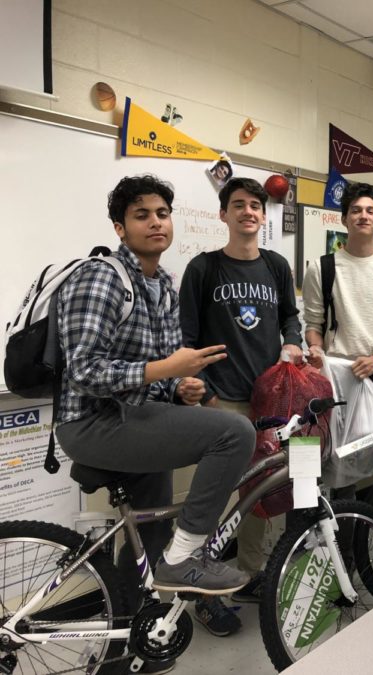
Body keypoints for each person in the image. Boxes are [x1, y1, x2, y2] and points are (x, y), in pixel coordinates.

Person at [54, 175, 255, 673]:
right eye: (142, 215)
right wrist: (168, 370)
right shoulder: (101, 278)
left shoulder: (162, 284)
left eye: (163, 213)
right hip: (93, 424)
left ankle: (123, 652)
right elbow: (83, 369)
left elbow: (159, 374)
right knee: (235, 433)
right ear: (120, 227)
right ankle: (186, 561)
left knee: (150, 542)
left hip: (136, 418)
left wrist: (178, 387)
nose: (156, 222)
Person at [179, 177, 303, 636]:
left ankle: (250, 576)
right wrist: (205, 393)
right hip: (219, 402)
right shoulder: (204, 269)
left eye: (255, 205)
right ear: (223, 214)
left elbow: (291, 315)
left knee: (261, 495)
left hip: (269, 400)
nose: (249, 212)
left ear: (263, 215)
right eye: (239, 205)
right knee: (212, 501)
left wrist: (291, 344)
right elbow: (186, 339)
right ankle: (199, 594)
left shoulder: (275, 265)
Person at [302, 182, 373, 474]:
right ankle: (347, 520)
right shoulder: (322, 268)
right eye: (355, 211)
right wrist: (315, 348)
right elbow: (313, 323)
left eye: (370, 211)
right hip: (339, 382)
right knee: (342, 466)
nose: (363, 216)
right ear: (344, 219)